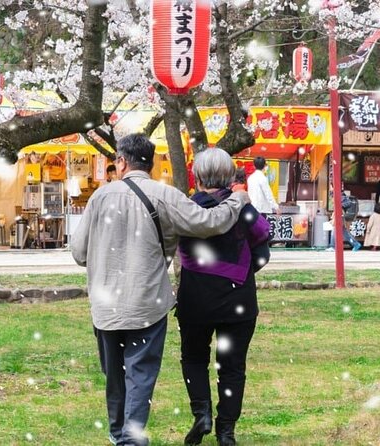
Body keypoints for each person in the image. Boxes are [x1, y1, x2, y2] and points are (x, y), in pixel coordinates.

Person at [71, 134, 250, 446]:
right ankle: (131, 437)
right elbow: (208, 222)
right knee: (139, 374)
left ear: (122, 161)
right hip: (146, 303)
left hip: (105, 305)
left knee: (114, 375)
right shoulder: (165, 195)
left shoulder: (99, 198)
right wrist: (237, 199)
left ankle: (119, 435)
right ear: (150, 163)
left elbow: (78, 252)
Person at [177, 148, 270, 446]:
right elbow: (263, 237)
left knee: (193, 357)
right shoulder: (241, 207)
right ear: (229, 176)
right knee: (232, 366)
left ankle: (201, 412)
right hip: (238, 299)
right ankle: (226, 431)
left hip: (196, 298)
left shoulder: (187, 208)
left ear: (198, 175)